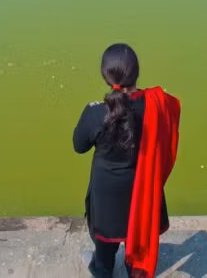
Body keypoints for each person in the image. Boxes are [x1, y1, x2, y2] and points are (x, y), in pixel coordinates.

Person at [73, 43, 181, 278]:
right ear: (137, 73)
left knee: (104, 247)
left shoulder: (95, 113)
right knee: (138, 235)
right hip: (142, 189)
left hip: (106, 197)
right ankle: (135, 268)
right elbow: (172, 112)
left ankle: (101, 268)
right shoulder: (155, 106)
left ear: (105, 76)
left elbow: (78, 146)